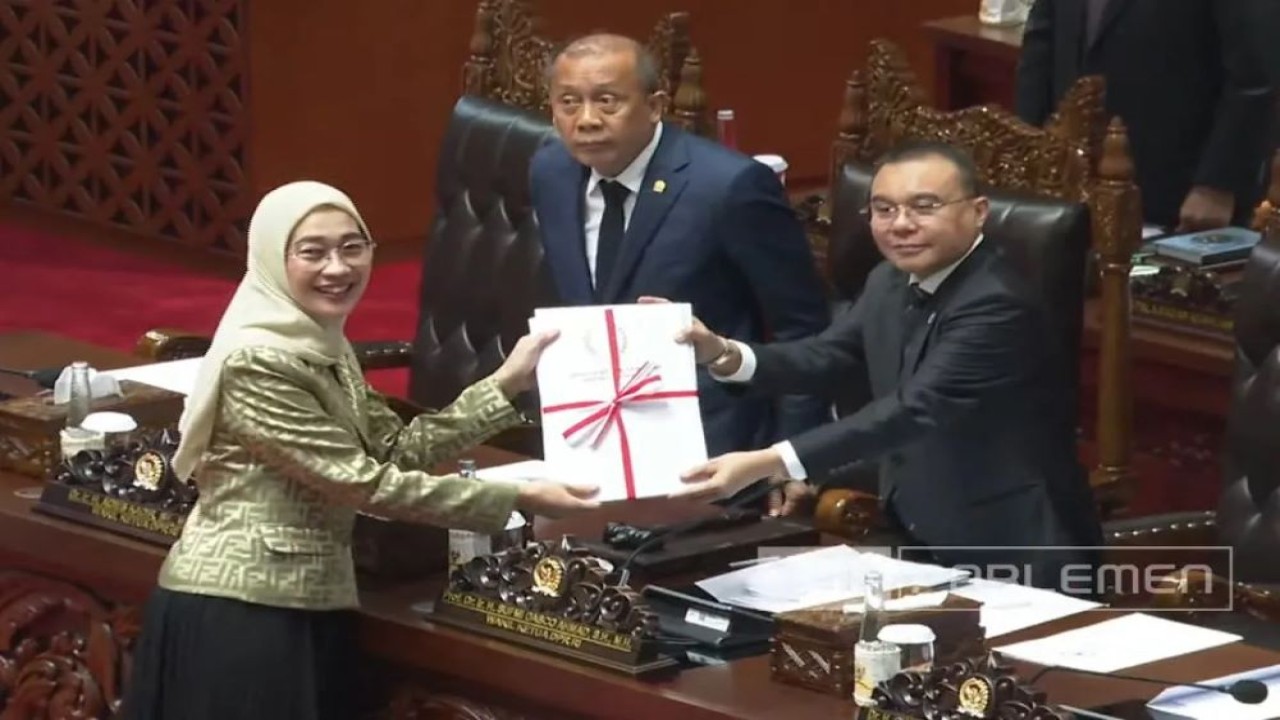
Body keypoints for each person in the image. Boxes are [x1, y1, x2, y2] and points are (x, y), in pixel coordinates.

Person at [120, 181, 599, 720]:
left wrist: (506, 383)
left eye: (353, 247)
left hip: (306, 600)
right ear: (273, 258)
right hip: (243, 613)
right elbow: (361, 483)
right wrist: (517, 497)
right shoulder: (259, 362)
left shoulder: (320, 342)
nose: (337, 267)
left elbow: (394, 450)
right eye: (312, 252)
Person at [655, 142, 1103, 589]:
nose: (901, 225)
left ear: (979, 211)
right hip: (915, 528)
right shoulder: (889, 279)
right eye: (883, 209)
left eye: (924, 207)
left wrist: (772, 461)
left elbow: (914, 409)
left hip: (1013, 547)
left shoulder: (998, 302)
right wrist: (722, 352)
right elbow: (829, 355)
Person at [530, 33, 831, 460]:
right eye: (569, 103)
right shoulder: (551, 170)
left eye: (607, 101)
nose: (587, 120)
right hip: (588, 429)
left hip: (708, 438)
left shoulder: (729, 187)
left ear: (655, 106)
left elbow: (803, 329)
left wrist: (793, 456)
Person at [1015, 0, 1275, 231]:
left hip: (1179, 195)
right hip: (1073, 187)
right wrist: (1029, 156)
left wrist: (1218, 185)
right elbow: (1042, 40)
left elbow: (1257, 77)